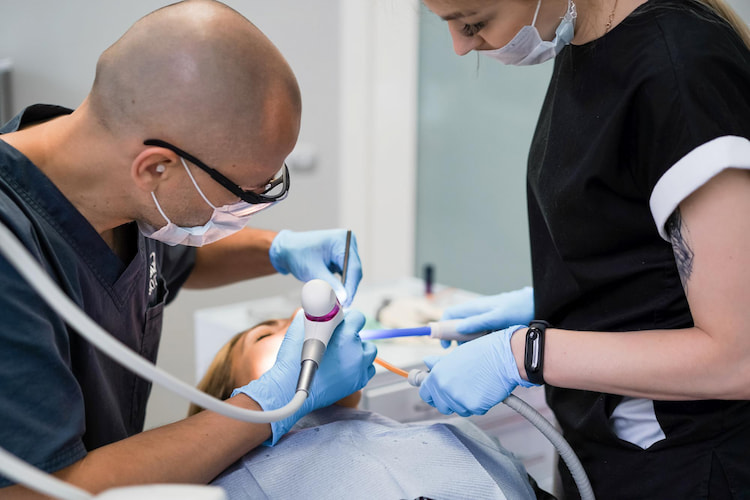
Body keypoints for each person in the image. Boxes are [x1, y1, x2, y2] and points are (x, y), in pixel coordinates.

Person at [0, 1, 374, 497]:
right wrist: (273, 403)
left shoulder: (115, 183)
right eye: (246, 193)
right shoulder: (12, 252)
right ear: (155, 168)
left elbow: (168, 260)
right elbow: (40, 491)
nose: (252, 207)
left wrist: (279, 249)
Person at [415, 0, 750, 498]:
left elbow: (737, 357)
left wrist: (522, 354)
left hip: (687, 467)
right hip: (604, 454)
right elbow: (634, 240)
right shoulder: (587, 39)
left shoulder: (679, 68)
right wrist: (550, 301)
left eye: (472, 23)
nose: (461, 48)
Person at [189, 313, 542, 500]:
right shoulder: (227, 486)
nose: (304, 320)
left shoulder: (446, 437)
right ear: (228, 398)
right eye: (268, 334)